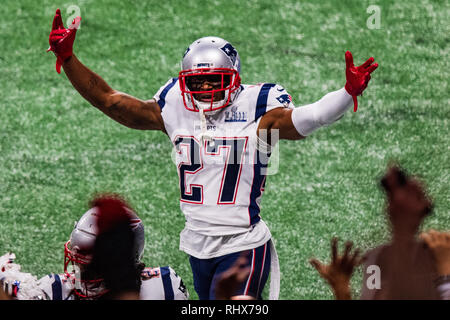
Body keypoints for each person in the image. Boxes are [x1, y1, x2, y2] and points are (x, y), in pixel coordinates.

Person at [46, 9, 378, 300]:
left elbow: (310, 116)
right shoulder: (174, 105)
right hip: (196, 245)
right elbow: (110, 101)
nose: (204, 89)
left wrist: (347, 93)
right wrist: (69, 60)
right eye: (198, 81)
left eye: (213, 80)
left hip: (243, 244)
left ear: (233, 78)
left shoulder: (258, 108)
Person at [0, 194, 189, 300]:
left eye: (85, 259)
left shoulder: (165, 287)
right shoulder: (54, 289)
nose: (78, 268)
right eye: (77, 258)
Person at [310, 165, 449, 300]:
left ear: (424, 203)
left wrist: (445, 272)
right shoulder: (376, 261)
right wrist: (341, 289)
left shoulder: (442, 250)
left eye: (403, 185)